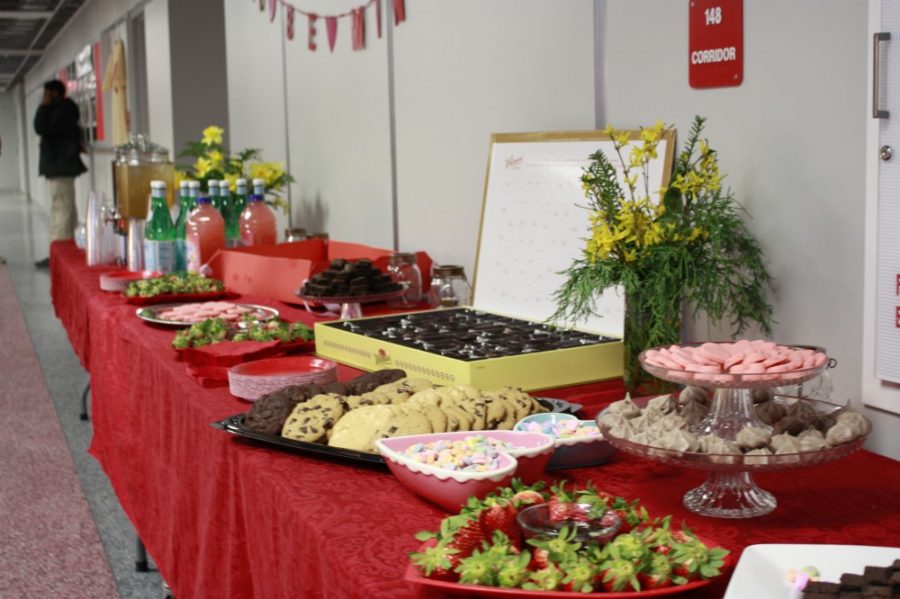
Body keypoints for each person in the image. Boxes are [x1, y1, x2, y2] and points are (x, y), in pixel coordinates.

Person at [33, 79, 87, 268]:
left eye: (46, 93)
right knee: (68, 209)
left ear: (54, 93)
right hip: (63, 166)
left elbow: (40, 127)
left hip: (60, 166)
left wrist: (44, 106)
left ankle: (59, 256)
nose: (43, 97)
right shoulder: (66, 109)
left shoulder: (59, 110)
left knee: (61, 211)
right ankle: (69, 251)